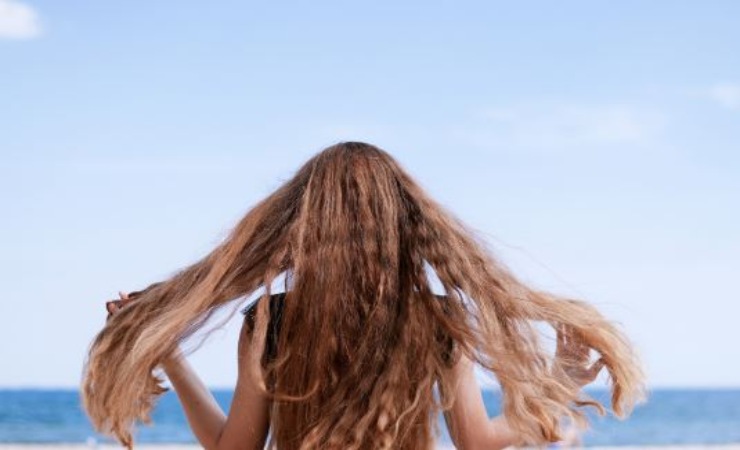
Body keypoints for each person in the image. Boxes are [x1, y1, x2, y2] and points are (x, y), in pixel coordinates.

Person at [83, 142, 645, 450]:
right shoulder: (434, 316)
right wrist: (562, 384)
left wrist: (171, 357)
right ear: (405, 225)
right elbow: (476, 442)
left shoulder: (274, 319)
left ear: (303, 225)